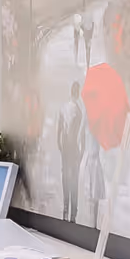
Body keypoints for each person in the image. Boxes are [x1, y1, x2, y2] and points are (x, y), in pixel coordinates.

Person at [56, 79, 85, 223]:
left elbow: (59, 130)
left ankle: (66, 207)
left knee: (65, 178)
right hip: (73, 148)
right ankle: (73, 211)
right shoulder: (78, 111)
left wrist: (60, 145)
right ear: (78, 93)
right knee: (73, 179)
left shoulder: (64, 108)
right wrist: (80, 152)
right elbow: (79, 133)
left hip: (66, 147)